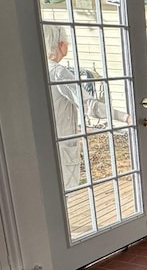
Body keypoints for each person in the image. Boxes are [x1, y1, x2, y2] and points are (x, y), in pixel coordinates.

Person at [43, 24, 132, 190]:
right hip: (61, 144)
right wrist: (124, 116)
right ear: (61, 45)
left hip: (43, 143)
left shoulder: (37, 69)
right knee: (65, 190)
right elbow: (89, 105)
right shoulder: (58, 73)